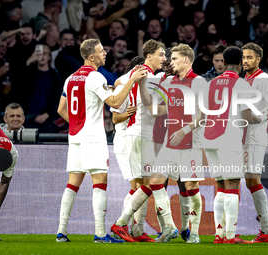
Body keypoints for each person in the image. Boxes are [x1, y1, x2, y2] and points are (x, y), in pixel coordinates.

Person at [56, 38, 147, 243]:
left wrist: (78, 123)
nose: (105, 53)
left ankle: (61, 232)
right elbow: (113, 102)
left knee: (72, 184)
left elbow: (61, 109)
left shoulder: (70, 78)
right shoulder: (95, 77)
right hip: (93, 138)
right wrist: (131, 81)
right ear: (91, 56)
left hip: (76, 137)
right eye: (100, 51)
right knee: (99, 185)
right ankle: (100, 234)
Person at [139, 44, 207, 243]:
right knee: (155, 182)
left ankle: (193, 232)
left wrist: (184, 130)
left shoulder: (199, 82)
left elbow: (203, 115)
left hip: (191, 143)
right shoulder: (170, 82)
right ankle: (169, 227)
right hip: (170, 144)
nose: (171, 62)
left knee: (191, 186)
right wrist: (142, 85)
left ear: (186, 60)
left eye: (175, 59)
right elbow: (155, 110)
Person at [202, 46, 263, 244]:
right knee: (233, 184)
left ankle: (219, 235)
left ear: (225, 61)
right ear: (239, 63)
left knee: (220, 185)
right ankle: (230, 236)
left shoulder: (211, 84)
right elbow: (247, 117)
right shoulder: (241, 84)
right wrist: (260, 118)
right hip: (228, 138)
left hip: (209, 138)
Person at [111, 39, 166, 243]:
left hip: (139, 133)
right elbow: (150, 106)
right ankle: (122, 224)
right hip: (136, 134)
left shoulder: (138, 73)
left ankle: (134, 229)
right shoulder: (147, 74)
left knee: (143, 184)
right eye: (161, 54)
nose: (164, 58)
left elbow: (117, 82)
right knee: (147, 184)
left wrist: (125, 81)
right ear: (149, 56)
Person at [242, 43, 268, 243]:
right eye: (243, 57)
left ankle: (267, 230)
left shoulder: (263, 79)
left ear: (258, 60)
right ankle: (265, 230)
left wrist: (259, 116)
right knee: (249, 181)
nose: (245, 61)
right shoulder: (246, 79)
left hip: (255, 137)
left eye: (250, 57)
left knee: (253, 181)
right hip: (244, 137)